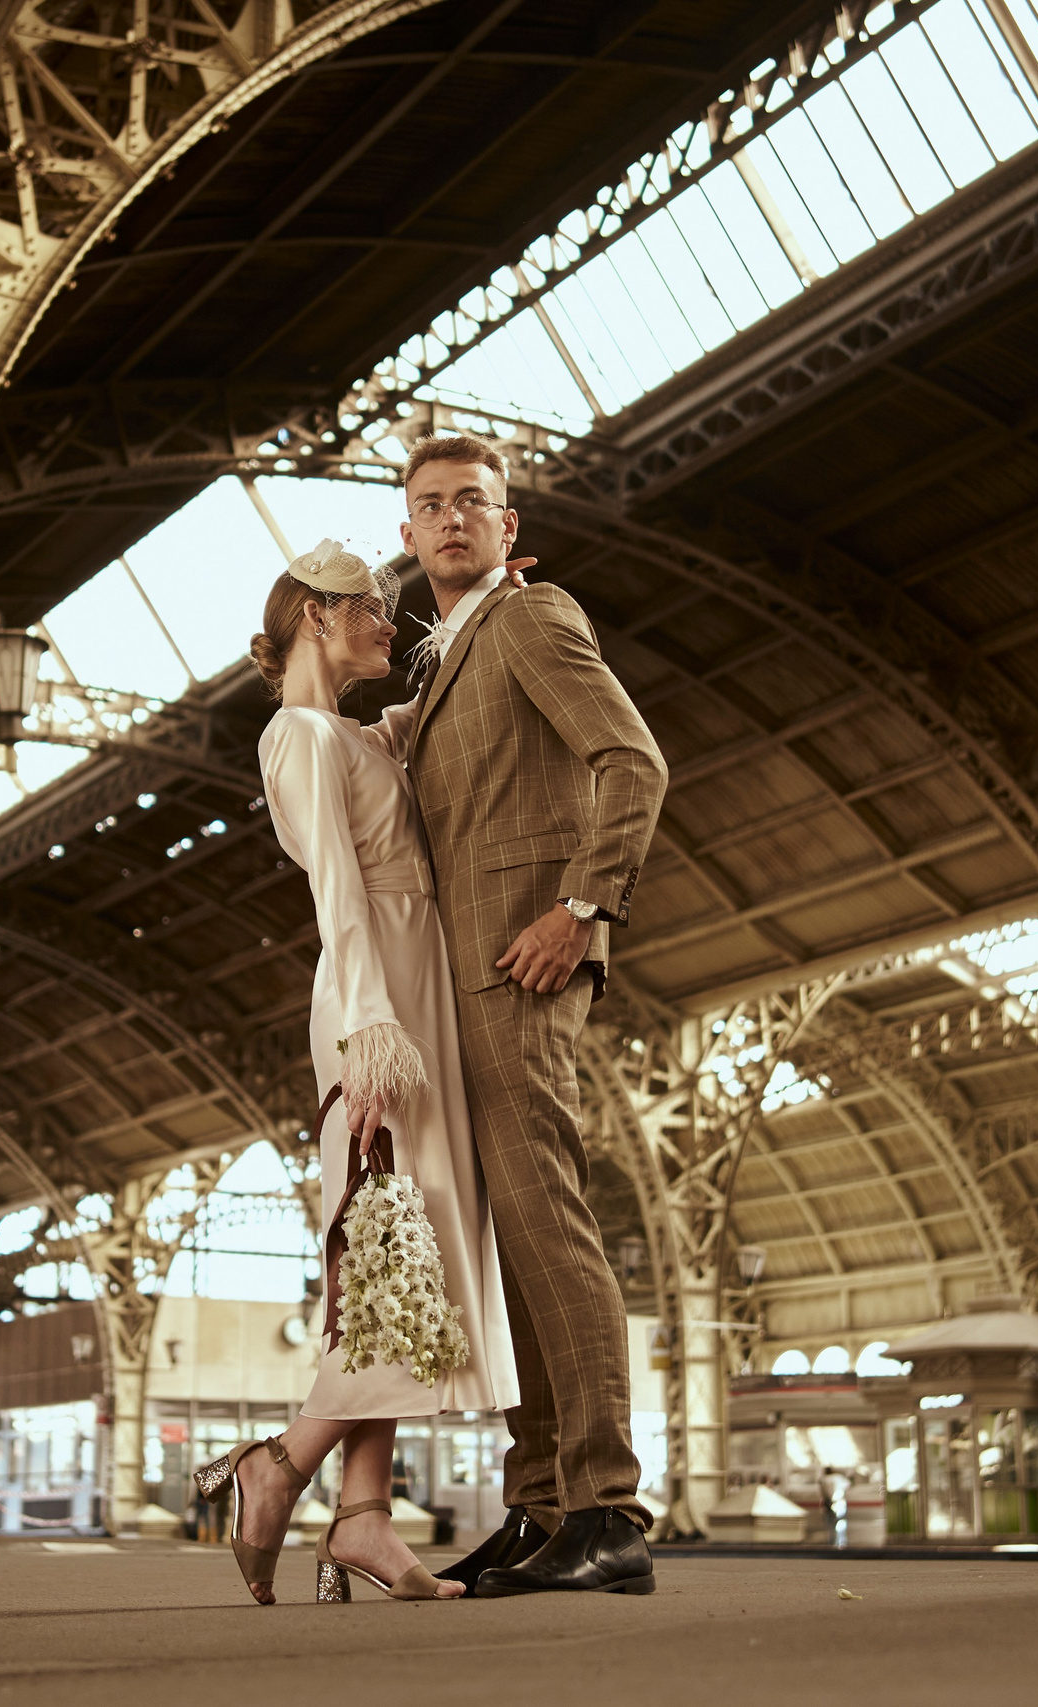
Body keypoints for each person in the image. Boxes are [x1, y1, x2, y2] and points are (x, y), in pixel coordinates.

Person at [195, 539, 522, 1604]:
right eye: (373, 610)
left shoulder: (360, 732)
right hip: (372, 1005)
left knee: (399, 1271)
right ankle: (278, 1467)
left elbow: (441, 690)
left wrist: (490, 599)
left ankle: (364, 1517)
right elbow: (337, 894)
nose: (393, 623)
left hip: (412, 993)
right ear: (316, 620)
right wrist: (371, 1042)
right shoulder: (295, 735)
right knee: (388, 1256)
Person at [397, 433, 666, 1597]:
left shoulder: (528, 619)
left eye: (474, 503)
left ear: (510, 530)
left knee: (548, 1225)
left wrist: (579, 907)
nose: (452, 519)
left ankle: (608, 1508)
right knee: (513, 1248)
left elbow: (632, 762)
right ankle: (540, 1504)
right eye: (430, 506)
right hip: (466, 977)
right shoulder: (440, 661)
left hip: (525, 963)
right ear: (407, 538)